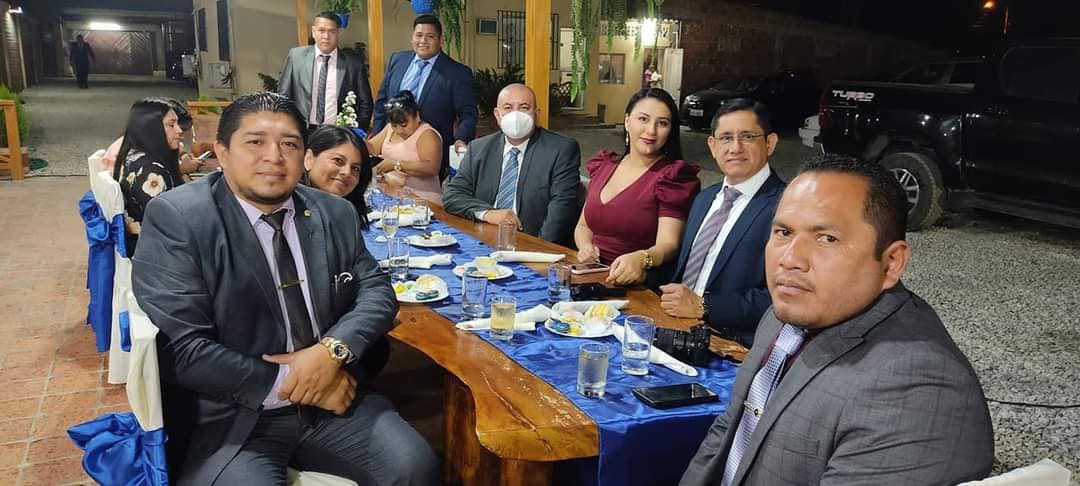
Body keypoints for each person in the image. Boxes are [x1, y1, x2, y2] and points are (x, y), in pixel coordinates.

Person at [131, 92, 438, 485]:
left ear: (303, 155)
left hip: (334, 399)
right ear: (222, 152)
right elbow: (182, 349)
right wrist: (300, 384)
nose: (274, 156)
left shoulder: (334, 212)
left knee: (415, 467)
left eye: (289, 144)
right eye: (255, 142)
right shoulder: (180, 218)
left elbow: (377, 291)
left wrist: (331, 352)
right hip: (233, 416)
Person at [679, 154, 994, 486]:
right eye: (783, 232)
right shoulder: (783, 315)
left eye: (827, 238)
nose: (790, 259)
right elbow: (727, 433)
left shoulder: (917, 386)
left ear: (891, 263)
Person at [658, 99, 786, 347]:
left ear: (769, 143)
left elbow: (782, 295)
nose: (735, 148)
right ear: (712, 146)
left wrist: (704, 306)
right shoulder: (705, 199)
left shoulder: (786, 207)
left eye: (747, 137)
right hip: (675, 329)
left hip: (732, 344)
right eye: (726, 138)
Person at [574, 87, 700, 285]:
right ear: (627, 121)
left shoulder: (673, 178)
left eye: (662, 123)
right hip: (589, 276)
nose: (651, 131)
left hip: (637, 284)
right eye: (643, 119)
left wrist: (642, 259)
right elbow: (583, 225)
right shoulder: (604, 165)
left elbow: (669, 244)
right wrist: (585, 247)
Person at [443, 84, 581, 245]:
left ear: (536, 114)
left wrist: (538, 248)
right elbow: (453, 195)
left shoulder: (561, 149)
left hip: (532, 243)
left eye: (524, 107)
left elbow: (562, 207)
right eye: (508, 108)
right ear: (497, 114)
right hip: (483, 238)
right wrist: (488, 214)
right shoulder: (479, 148)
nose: (516, 114)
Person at [372, 14, 477, 180]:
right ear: (412, 37)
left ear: (441, 40)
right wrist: (377, 138)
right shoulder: (397, 60)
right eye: (418, 35)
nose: (423, 41)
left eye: (430, 36)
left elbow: (468, 113)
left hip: (428, 157)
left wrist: (461, 139)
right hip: (391, 149)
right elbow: (381, 101)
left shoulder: (457, 73)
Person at [114, 98, 186, 255]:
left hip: (144, 246)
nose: (179, 130)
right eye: (171, 125)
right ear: (151, 129)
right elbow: (169, 227)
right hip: (157, 256)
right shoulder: (151, 172)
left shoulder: (133, 155)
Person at [278, 11, 373, 130]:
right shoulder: (296, 57)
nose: (326, 37)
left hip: (337, 132)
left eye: (331, 31)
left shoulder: (353, 64)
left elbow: (365, 103)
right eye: (321, 30)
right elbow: (283, 96)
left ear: (339, 33)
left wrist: (356, 132)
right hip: (302, 131)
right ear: (313, 32)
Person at [366, 91, 443, 203]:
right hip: (390, 194)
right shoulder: (389, 129)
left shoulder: (427, 134)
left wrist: (396, 164)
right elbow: (372, 148)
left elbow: (431, 168)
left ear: (417, 116)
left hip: (421, 200)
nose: (399, 130)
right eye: (394, 125)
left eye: (404, 125)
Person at [102, 98, 199, 175]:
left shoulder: (140, 139)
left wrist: (184, 155)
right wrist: (182, 169)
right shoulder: (148, 168)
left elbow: (179, 149)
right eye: (172, 125)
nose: (179, 132)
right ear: (154, 125)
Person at [303, 125, 373, 228]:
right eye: (338, 161)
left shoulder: (347, 215)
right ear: (309, 159)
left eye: (355, 168)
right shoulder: (286, 213)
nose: (347, 172)